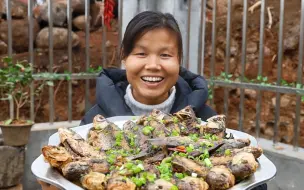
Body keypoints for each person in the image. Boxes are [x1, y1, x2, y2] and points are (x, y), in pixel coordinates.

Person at [40, 11, 267, 190]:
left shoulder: (205, 119)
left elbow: (251, 179)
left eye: (165, 55)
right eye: (141, 53)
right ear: (124, 57)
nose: (153, 65)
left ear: (179, 60)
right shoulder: (95, 121)